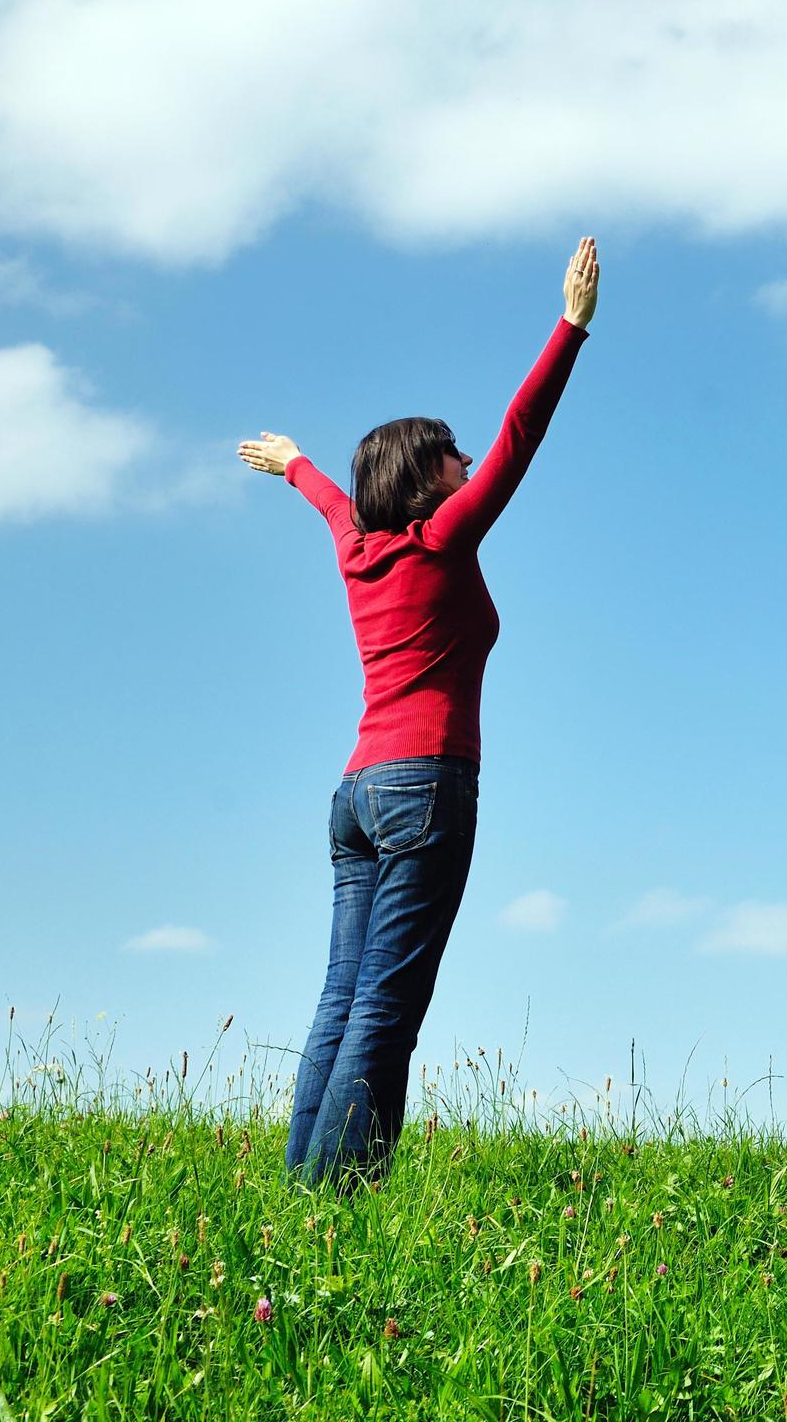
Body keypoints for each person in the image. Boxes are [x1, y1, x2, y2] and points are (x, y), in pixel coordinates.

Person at [236, 236, 599, 1187]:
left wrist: (296, 463)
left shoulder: (359, 550)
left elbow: (327, 504)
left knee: (340, 997)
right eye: (450, 455)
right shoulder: (441, 541)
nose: (466, 459)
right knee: (387, 1007)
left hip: (355, 792)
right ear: (423, 477)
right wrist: (570, 327)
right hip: (426, 786)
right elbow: (522, 437)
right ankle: (332, 1204)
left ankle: (297, 1194)